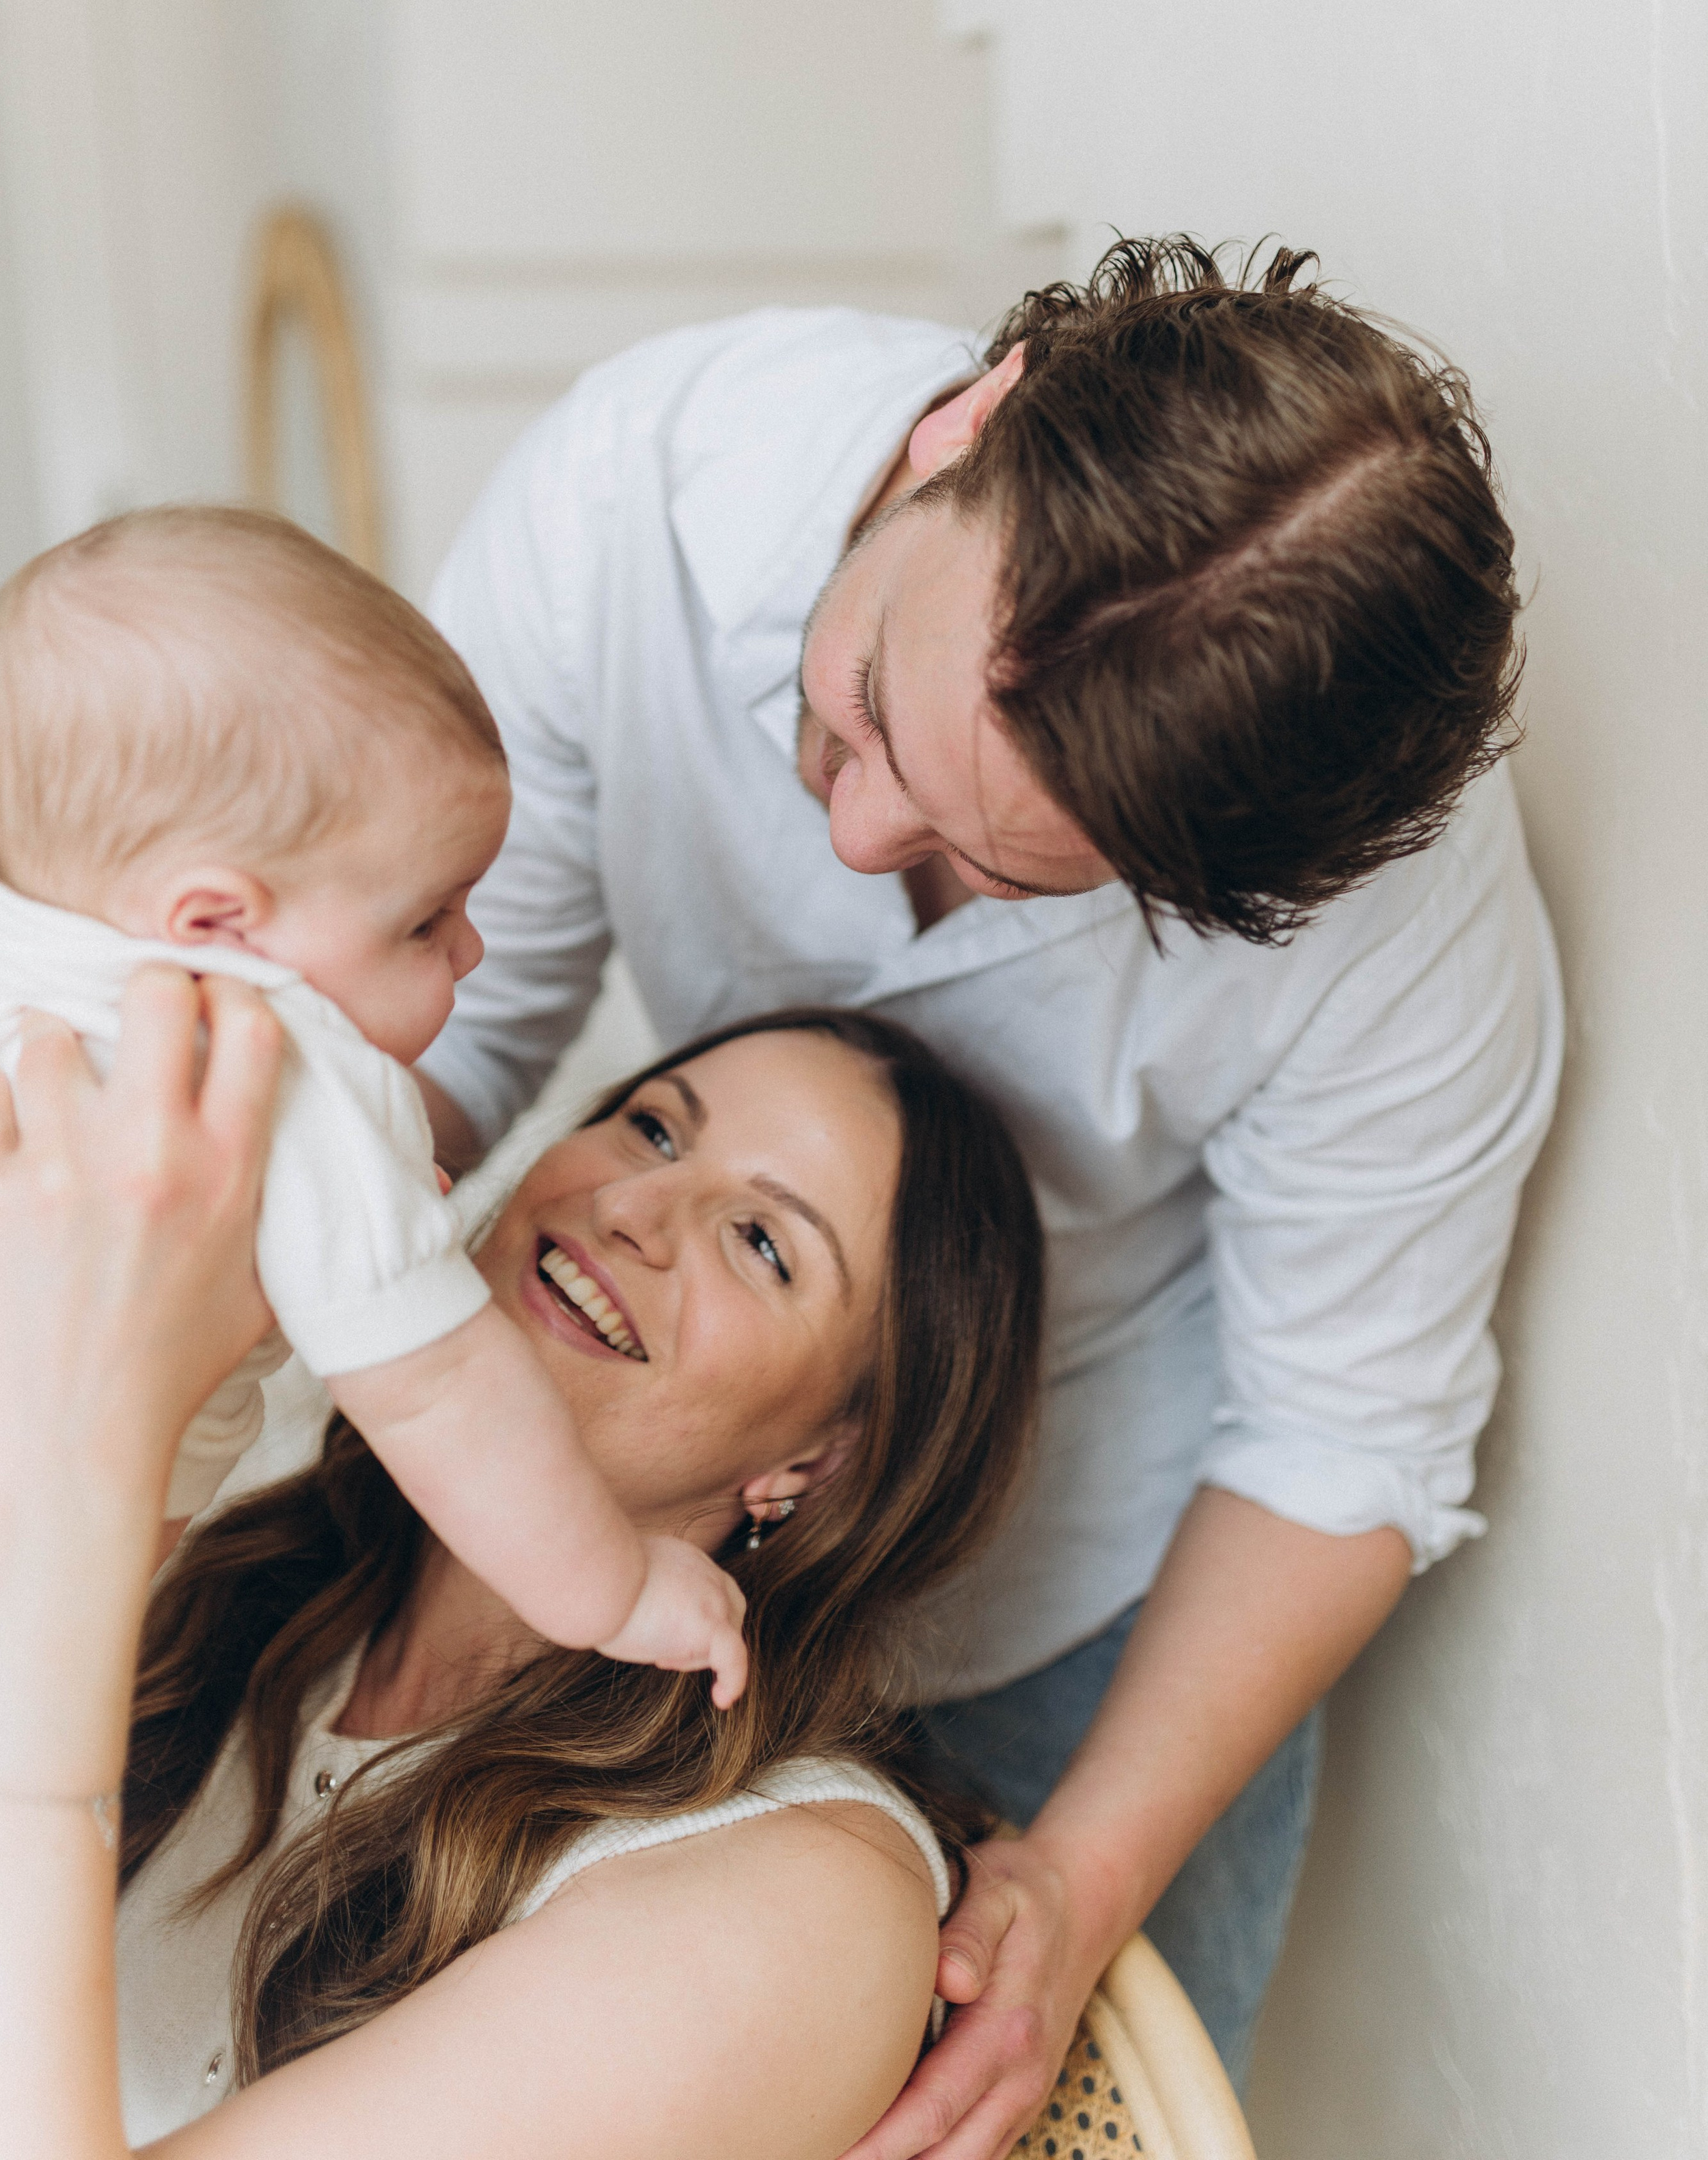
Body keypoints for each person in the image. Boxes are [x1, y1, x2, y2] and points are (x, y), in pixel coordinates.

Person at [412, 234, 1565, 2142]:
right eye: (861, 700)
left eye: (998, 862)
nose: (853, 835)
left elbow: (1345, 1437)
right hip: (672, 1487)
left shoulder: (1404, 931)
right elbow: (438, 1034)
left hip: (1092, 1587)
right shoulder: (641, 494)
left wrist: (1078, 1880)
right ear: (979, 416)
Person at [0, 979, 1045, 2157]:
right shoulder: (263, 1576)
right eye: (654, 1127)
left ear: (820, 1461)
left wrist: (80, 1475)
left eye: (762, 1243)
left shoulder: (808, 1903)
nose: (632, 1204)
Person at [0, 506, 745, 1702]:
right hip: (49, 1542)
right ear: (216, 926)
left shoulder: (3, 919)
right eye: (426, 920)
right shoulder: (290, 1069)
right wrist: (617, 1588)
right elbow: (441, 1393)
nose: (472, 950)